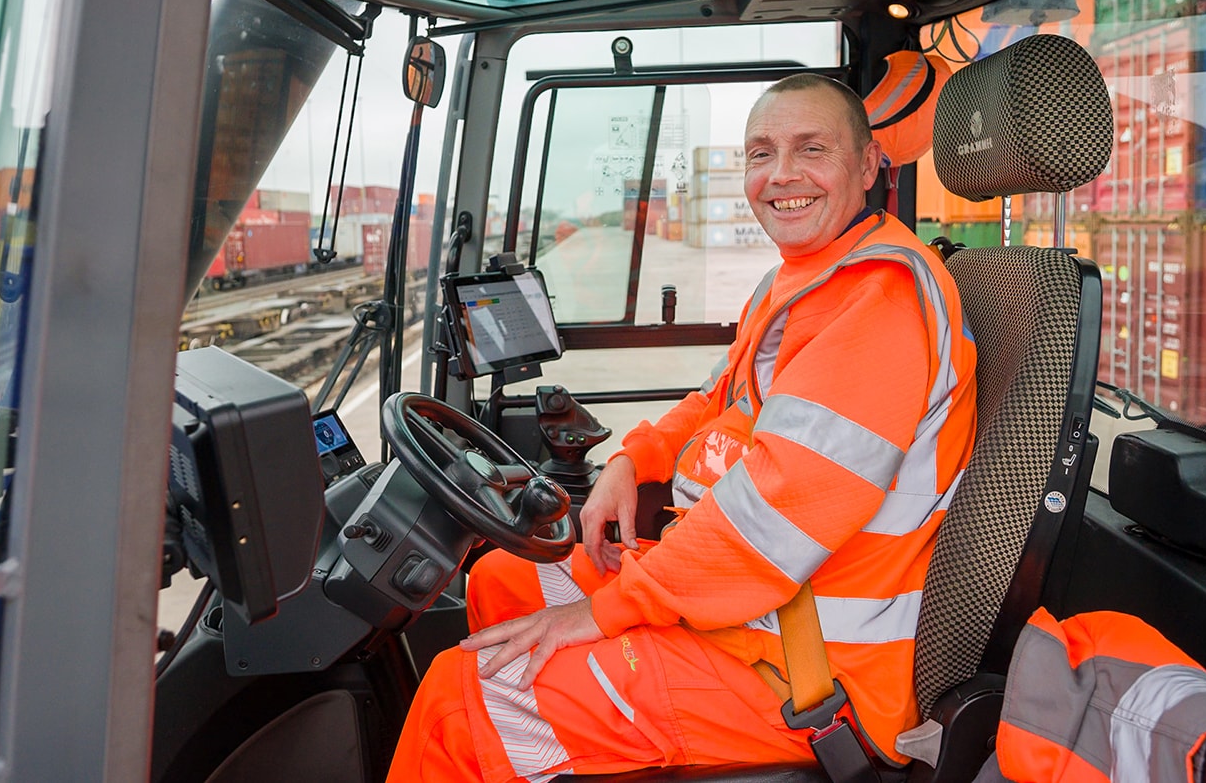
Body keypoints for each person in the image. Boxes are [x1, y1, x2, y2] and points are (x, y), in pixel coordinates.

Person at [387, 73, 978, 782]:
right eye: (761, 153)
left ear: (867, 164)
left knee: (460, 699)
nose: (781, 174)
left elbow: (771, 516)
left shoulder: (878, 300)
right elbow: (719, 394)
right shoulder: (806, 275)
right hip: (760, 605)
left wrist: (608, 613)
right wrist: (633, 459)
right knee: (504, 580)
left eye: (810, 148)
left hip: (802, 666)